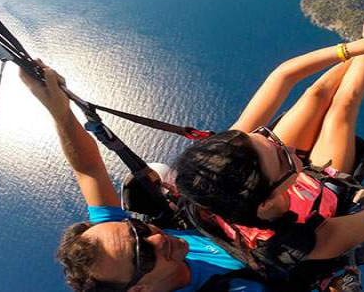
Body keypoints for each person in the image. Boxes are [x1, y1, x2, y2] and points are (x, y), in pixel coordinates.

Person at [174, 0, 364, 289]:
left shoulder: (219, 171)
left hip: (278, 183)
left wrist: (362, 46)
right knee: (342, 108)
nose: (281, 140)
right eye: (282, 152)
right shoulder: (311, 242)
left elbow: (284, 76)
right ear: (269, 199)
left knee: (316, 92)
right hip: (322, 190)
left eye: (265, 135)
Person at [20, 62, 267, 292]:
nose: (158, 238)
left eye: (139, 229)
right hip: (280, 251)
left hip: (239, 234)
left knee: (156, 171)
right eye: (146, 256)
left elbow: (89, 170)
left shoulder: (118, 244)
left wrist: (59, 110)